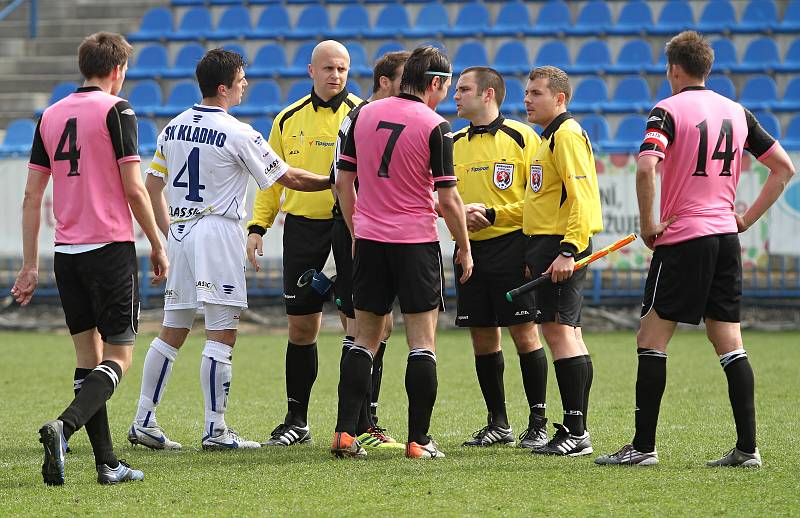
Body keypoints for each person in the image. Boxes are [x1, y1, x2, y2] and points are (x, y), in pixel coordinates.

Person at [596, 31, 795, 468]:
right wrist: (744, 219)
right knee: (729, 341)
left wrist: (649, 225)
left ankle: (644, 448)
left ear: (673, 69)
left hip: (684, 239)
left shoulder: (666, 110)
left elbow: (648, 166)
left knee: (651, 338)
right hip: (725, 238)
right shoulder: (737, 111)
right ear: (707, 68)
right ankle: (748, 448)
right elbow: (784, 168)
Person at [127, 49, 331, 451]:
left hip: (182, 233)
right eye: (240, 80)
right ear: (223, 87)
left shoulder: (173, 127)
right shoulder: (239, 132)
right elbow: (287, 177)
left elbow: (153, 188)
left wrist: (171, 234)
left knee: (172, 331)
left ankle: (143, 420)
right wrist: (333, 180)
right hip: (218, 232)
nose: (245, 85)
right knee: (222, 333)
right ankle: (215, 429)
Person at [12, 32, 168, 485]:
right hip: (110, 250)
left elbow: (30, 195)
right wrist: (157, 243)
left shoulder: (51, 115)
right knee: (120, 356)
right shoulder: (117, 110)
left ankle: (107, 463)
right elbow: (134, 187)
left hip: (67, 255)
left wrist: (29, 264)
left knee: (87, 358)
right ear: (118, 70)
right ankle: (64, 426)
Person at [332, 45, 473, 459]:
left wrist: (359, 228)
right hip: (415, 245)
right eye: (446, 86)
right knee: (421, 342)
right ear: (434, 83)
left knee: (363, 339)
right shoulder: (436, 126)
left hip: (371, 242)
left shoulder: (362, 114)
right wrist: (464, 248)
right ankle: (419, 441)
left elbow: (343, 181)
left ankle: (344, 434)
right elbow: (448, 201)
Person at [246, 41, 362, 447]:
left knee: (357, 325)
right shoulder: (287, 118)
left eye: (343, 68)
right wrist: (258, 226)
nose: (336, 75)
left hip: (349, 228)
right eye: (328, 68)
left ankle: (358, 421)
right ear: (311, 70)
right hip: (301, 228)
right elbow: (270, 178)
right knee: (301, 326)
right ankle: (297, 419)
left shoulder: (363, 114)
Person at [498, 65, 603, 456]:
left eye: (536, 93)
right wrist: (494, 215)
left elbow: (583, 198)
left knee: (559, 333)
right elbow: (535, 204)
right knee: (568, 334)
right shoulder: (549, 138)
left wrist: (568, 250)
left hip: (561, 247)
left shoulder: (566, 135)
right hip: (547, 245)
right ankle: (576, 428)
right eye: (526, 92)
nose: (527, 99)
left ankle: (576, 432)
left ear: (559, 98)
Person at [448, 66, 548, 449]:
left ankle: (537, 421)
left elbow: (537, 201)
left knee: (525, 332)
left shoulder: (523, 137)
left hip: (513, 246)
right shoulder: (452, 142)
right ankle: (499, 422)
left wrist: (492, 213)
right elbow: (440, 197)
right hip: (468, 251)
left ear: (488, 94)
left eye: (464, 89)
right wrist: (457, 218)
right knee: (482, 336)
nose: (455, 95)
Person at [329, 50, 410, 449]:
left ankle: (363, 420)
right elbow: (341, 180)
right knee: (362, 326)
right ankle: (357, 424)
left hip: (373, 230)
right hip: (360, 230)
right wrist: (358, 229)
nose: (409, 89)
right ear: (384, 81)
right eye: (403, 80)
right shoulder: (360, 118)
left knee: (379, 325)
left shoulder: (384, 117)